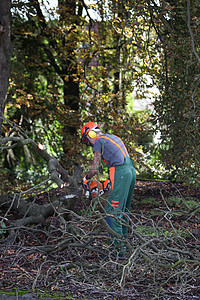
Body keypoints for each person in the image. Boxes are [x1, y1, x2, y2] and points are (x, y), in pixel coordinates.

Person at [81, 121, 136, 256]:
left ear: (90, 134)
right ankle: (125, 245)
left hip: (120, 172)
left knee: (112, 213)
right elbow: (119, 162)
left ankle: (118, 252)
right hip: (130, 170)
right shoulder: (112, 137)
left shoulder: (99, 141)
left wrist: (85, 179)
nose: (90, 144)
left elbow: (94, 169)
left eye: (88, 140)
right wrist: (106, 184)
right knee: (123, 211)